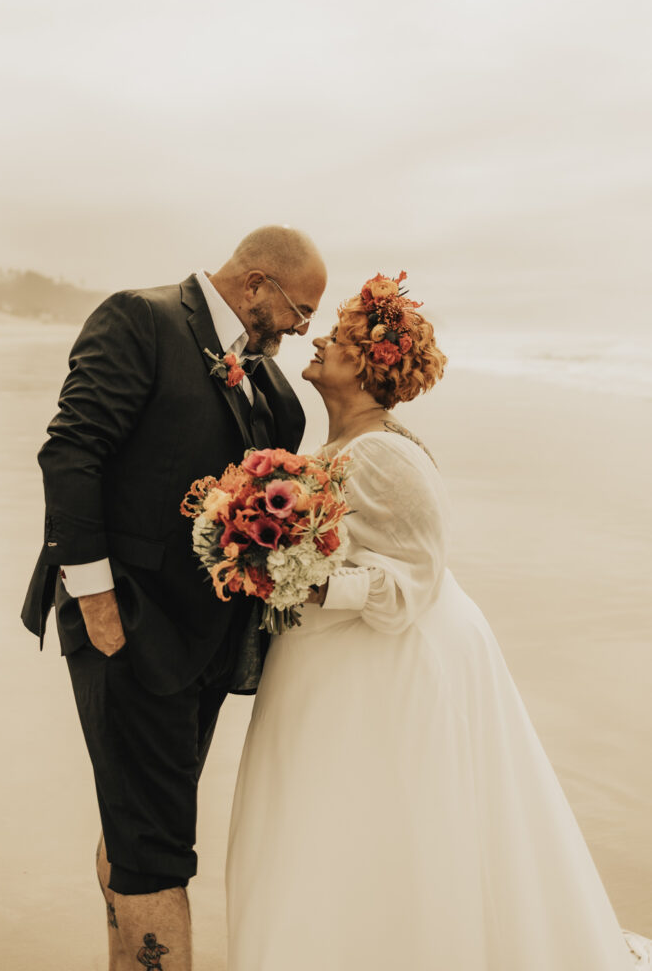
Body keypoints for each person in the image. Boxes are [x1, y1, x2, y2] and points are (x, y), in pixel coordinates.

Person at [225, 272, 649, 969]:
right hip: (331, 670)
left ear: (364, 364)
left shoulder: (384, 455)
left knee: (380, 830)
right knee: (324, 830)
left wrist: (297, 582)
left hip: (387, 672)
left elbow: (414, 582)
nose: (321, 338)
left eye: (339, 336)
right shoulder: (335, 446)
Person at [21, 226, 327, 971]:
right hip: (124, 624)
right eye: (299, 309)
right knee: (159, 846)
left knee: (139, 822)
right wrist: (98, 608)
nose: (299, 328)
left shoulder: (279, 395)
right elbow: (72, 451)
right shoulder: (142, 320)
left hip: (206, 645)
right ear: (255, 283)